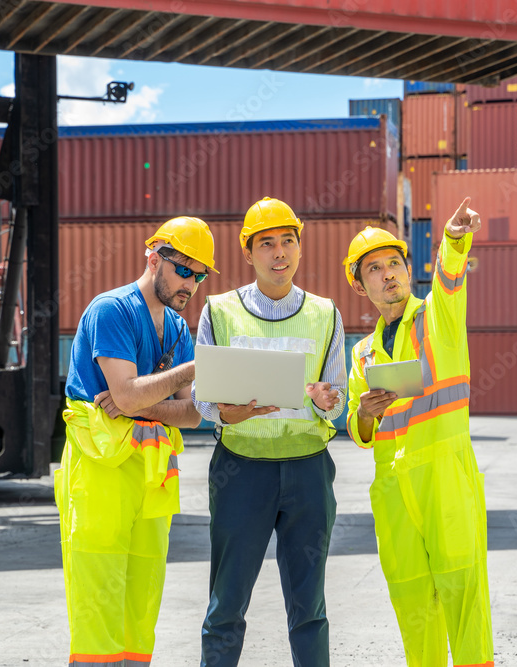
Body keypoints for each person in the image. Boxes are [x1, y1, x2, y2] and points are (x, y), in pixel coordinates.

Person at [54, 216, 218, 667]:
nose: (192, 285)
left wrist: (138, 403)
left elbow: (192, 414)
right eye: (184, 270)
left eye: (200, 276)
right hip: (101, 471)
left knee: (142, 598)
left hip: (151, 479)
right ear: (153, 259)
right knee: (97, 592)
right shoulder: (112, 310)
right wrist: (189, 371)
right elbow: (130, 393)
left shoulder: (179, 329)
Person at [192, 197, 346, 667]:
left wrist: (328, 402)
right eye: (266, 243)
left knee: (309, 608)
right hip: (240, 473)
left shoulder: (327, 314)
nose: (278, 252)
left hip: (308, 474)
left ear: (299, 248)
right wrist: (224, 415)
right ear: (248, 252)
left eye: (287, 241)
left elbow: (338, 396)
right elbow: (202, 397)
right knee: (226, 605)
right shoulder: (218, 311)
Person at [343, 197, 494, 667]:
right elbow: (357, 427)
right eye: (374, 269)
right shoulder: (362, 353)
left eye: (394, 264)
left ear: (409, 271)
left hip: (445, 479)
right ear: (360, 284)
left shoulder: (437, 318)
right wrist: (366, 412)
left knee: (463, 595)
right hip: (392, 491)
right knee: (413, 604)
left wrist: (453, 240)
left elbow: (451, 279)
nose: (387, 274)